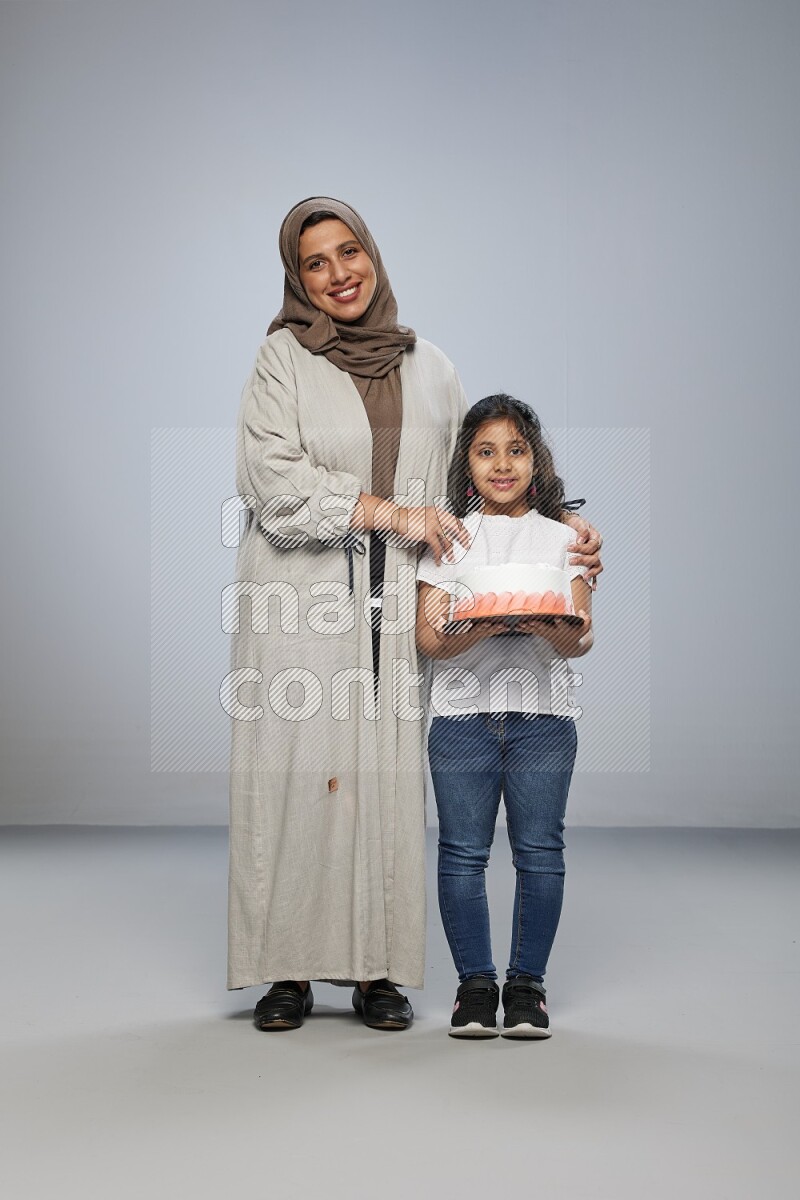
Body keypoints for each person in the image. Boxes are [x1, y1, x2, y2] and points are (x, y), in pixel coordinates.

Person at [228, 198, 604, 1033]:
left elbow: (480, 485)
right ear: (299, 278)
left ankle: (376, 971)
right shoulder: (280, 360)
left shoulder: (430, 363)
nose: (338, 274)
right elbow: (271, 484)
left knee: (387, 787)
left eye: (349, 251)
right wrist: (389, 513)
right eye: (316, 262)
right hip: (301, 598)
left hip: (404, 599)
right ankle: (287, 969)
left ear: (373, 255)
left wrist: (565, 528)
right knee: (298, 777)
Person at [415, 394, 594, 1038]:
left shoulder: (567, 536)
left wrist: (549, 625)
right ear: (467, 463)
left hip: (543, 717)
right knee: (462, 854)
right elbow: (430, 640)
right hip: (462, 716)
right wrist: (478, 625)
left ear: (535, 461)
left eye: (516, 450)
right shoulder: (449, 536)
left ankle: (527, 988)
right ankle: (474, 987)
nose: (502, 465)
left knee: (539, 851)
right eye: (486, 451)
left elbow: (581, 638)